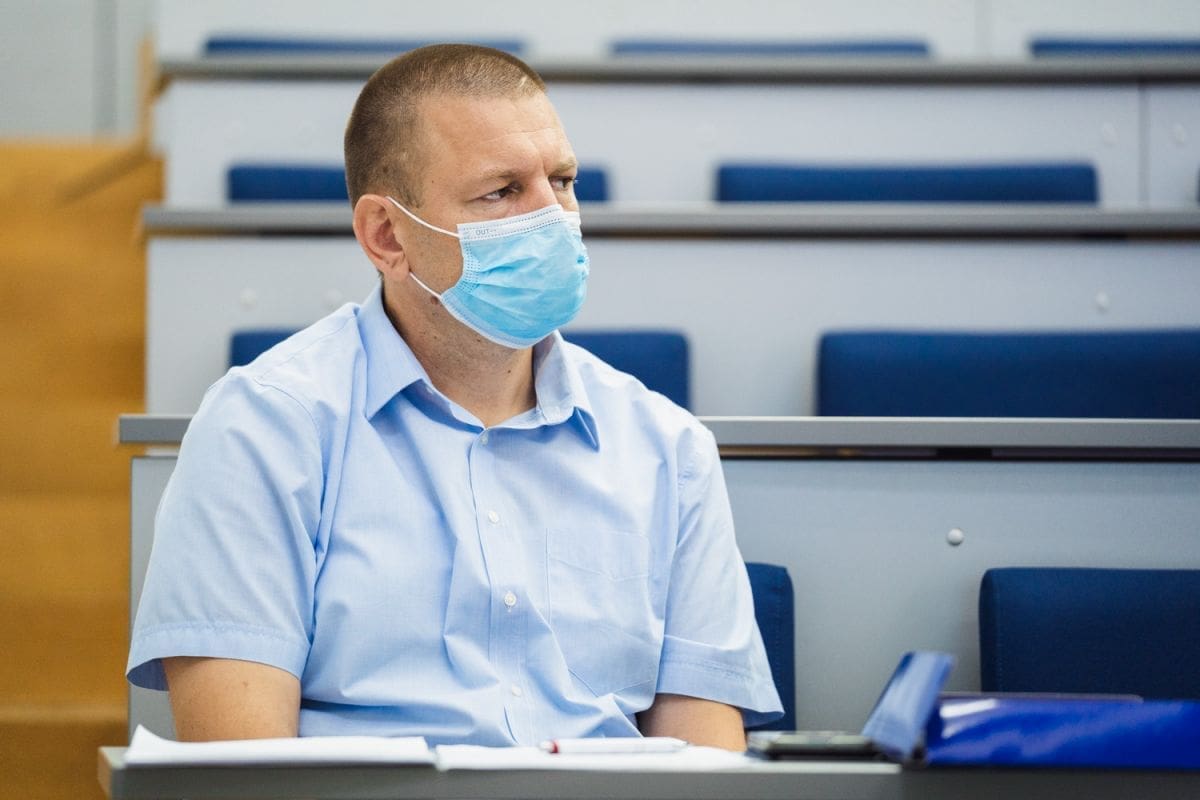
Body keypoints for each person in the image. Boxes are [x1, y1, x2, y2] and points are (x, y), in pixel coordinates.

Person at [127, 44, 781, 748]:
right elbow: (242, 769)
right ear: (387, 236)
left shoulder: (667, 448)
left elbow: (705, 768)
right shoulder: (263, 429)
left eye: (562, 181)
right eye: (501, 192)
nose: (553, 217)